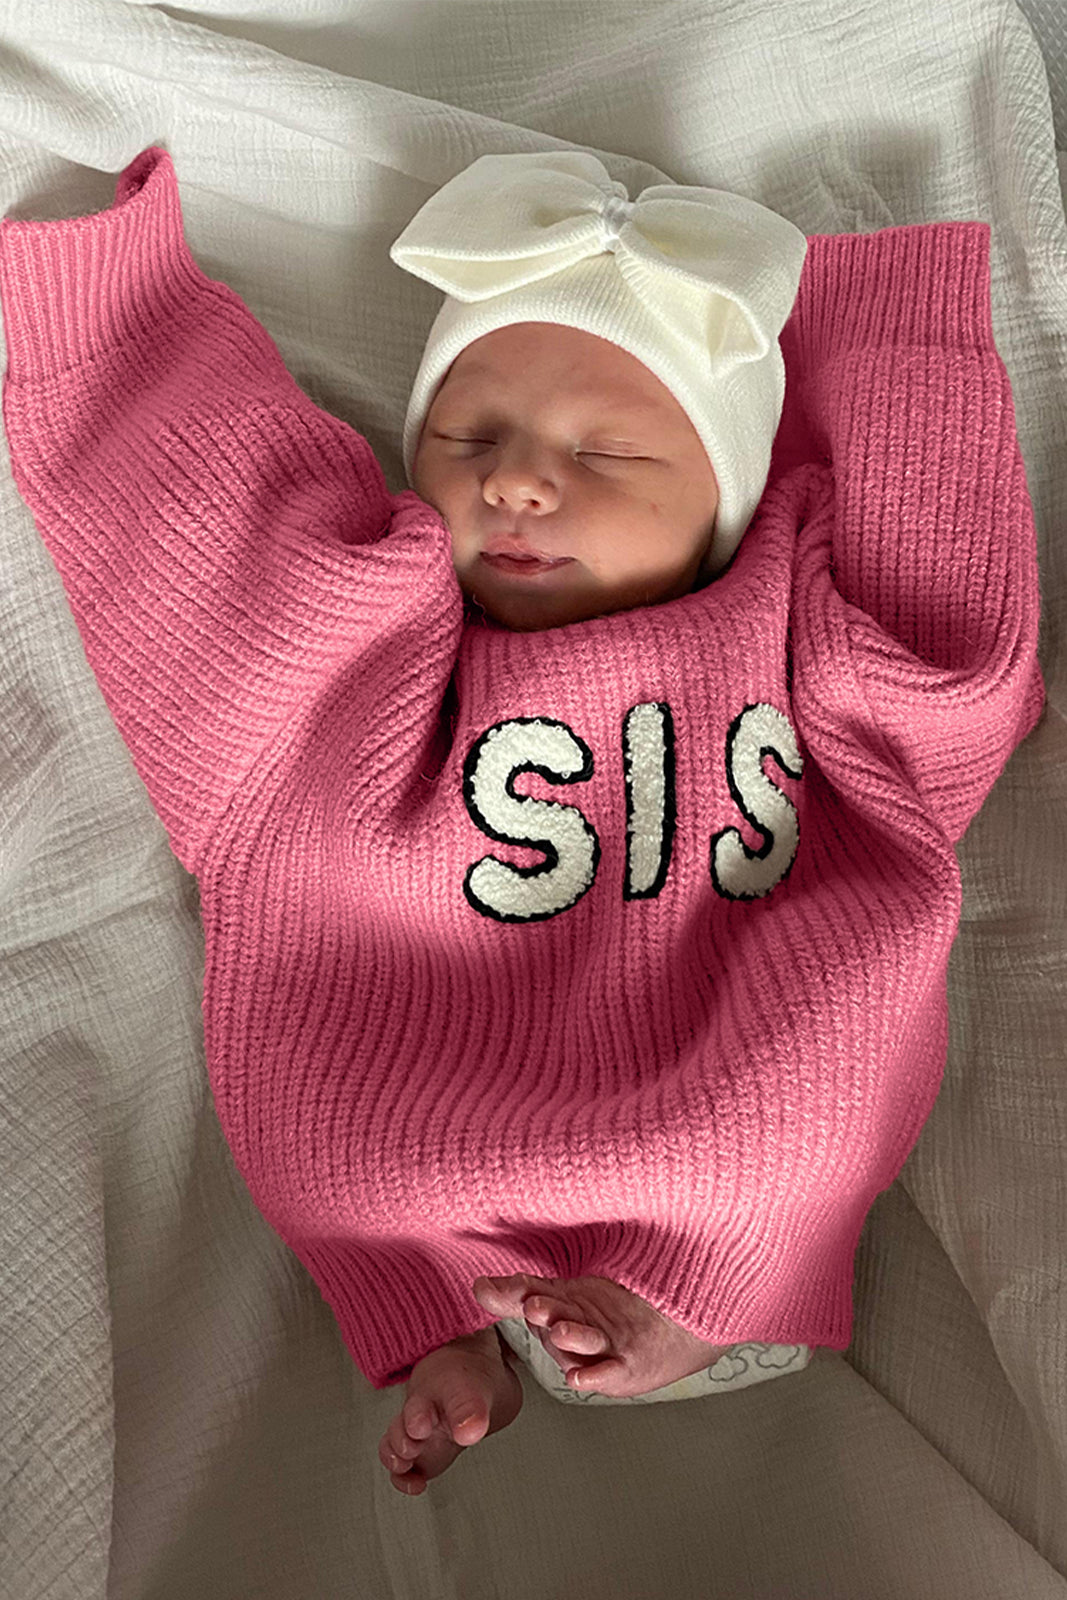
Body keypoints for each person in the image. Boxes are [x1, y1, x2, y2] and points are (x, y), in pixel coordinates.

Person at [0, 146, 1043, 1501]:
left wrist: (887, 346)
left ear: (725, 492)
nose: (517, 484)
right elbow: (225, 579)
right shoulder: (384, 649)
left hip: (733, 1065)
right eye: (467, 438)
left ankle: (708, 1298)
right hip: (423, 1065)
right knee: (336, 1135)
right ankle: (442, 1324)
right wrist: (117, 322)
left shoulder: (782, 609)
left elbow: (947, 672)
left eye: (603, 451)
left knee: (818, 1088)